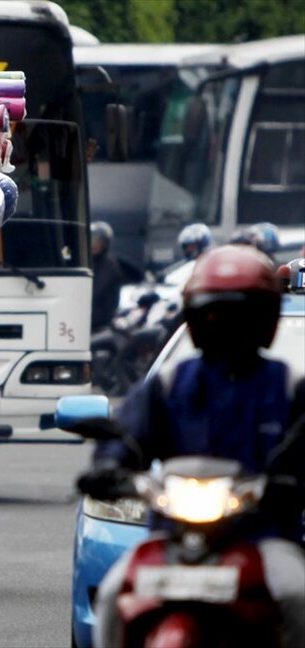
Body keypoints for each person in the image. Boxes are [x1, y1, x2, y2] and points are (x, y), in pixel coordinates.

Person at [78, 244, 305, 648]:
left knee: (296, 595)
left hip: (262, 536)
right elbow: (129, 434)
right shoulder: (168, 385)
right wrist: (111, 467)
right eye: (213, 313)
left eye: (240, 315)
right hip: (173, 537)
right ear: (195, 316)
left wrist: (289, 482)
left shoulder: (288, 388)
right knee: (114, 594)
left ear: (263, 319)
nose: (225, 325)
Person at [90, 221, 126, 332]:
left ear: (105, 244)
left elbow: (95, 292)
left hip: (100, 322)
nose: (94, 244)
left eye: (99, 241)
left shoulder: (109, 265)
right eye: (92, 240)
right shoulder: (89, 263)